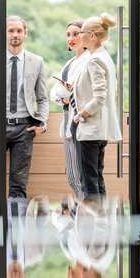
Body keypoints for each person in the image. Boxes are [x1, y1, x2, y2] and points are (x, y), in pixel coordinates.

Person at [0, 16, 49, 199]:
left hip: (25, 128)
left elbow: (42, 98)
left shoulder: (37, 61)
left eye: (18, 31)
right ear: (4, 33)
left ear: (25, 33)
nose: (15, 34)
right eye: (10, 31)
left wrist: (42, 124)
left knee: (18, 185)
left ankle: (17, 227)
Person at [71, 13, 122, 198]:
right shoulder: (104, 56)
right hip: (99, 129)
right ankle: (101, 224)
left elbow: (99, 97)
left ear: (92, 35)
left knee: (89, 182)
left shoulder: (94, 59)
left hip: (91, 129)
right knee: (96, 179)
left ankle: (91, 225)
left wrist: (80, 115)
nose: (78, 36)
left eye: (81, 32)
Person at [50, 20, 91, 200]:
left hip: (80, 125)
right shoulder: (69, 63)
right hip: (67, 125)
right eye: (68, 35)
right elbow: (54, 92)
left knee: (82, 179)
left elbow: (78, 91)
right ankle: (83, 217)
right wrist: (64, 96)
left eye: (76, 34)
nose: (71, 38)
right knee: (72, 179)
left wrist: (67, 94)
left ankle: (88, 220)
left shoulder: (89, 60)